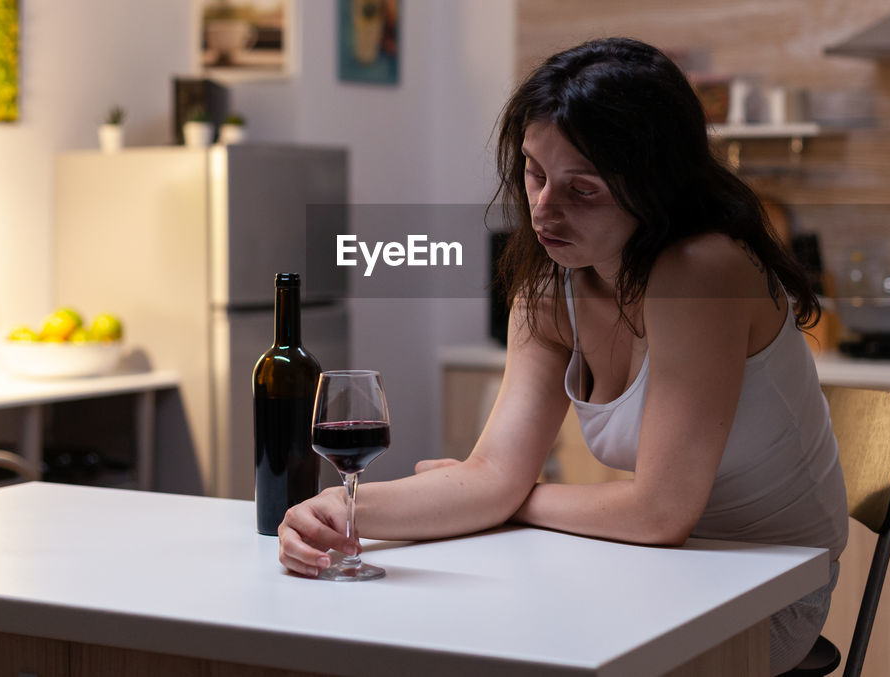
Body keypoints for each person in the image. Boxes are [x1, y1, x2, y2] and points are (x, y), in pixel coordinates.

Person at [279, 36, 847, 675]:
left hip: (761, 592)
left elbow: (659, 513)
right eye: (534, 172)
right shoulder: (548, 292)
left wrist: (519, 496)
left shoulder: (703, 270)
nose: (544, 209)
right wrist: (338, 511)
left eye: (584, 190)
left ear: (654, 188)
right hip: (650, 569)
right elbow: (492, 473)